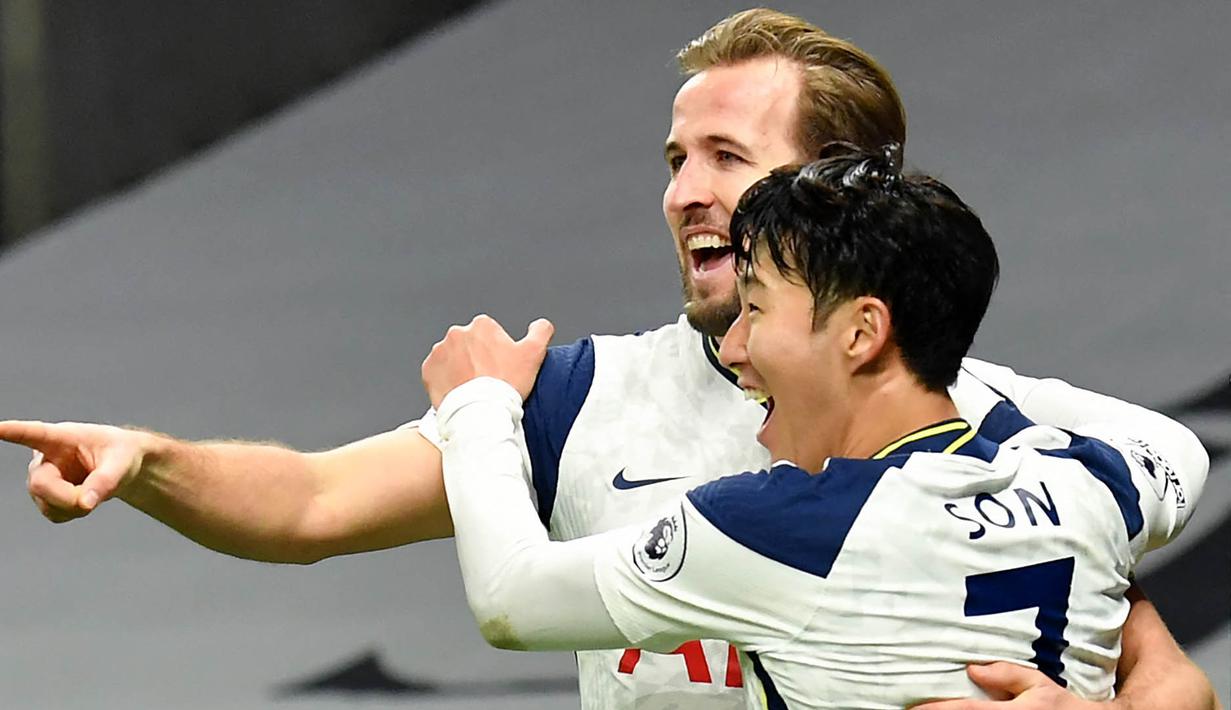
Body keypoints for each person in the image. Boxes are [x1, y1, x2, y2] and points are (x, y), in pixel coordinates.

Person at [0, 8, 1216, 710]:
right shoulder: (584, 398)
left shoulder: (988, 430)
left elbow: (1151, 651)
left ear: (841, 196)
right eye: (673, 160)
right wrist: (147, 459)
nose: (687, 193)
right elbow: (313, 503)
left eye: (727, 159)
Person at [420, 148, 1207, 708]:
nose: (733, 349)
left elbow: (510, 597)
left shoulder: (786, 529)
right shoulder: (1084, 484)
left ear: (862, 333)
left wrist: (479, 402)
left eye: (755, 309)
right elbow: (1175, 451)